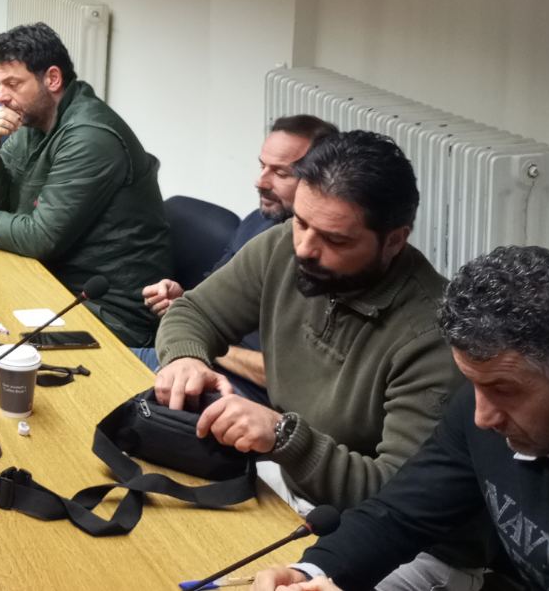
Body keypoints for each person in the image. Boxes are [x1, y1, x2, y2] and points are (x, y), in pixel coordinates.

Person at [154, 132, 475, 591]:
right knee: (164, 534)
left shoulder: (433, 338)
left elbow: (400, 503)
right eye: (301, 222)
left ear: (394, 241)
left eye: (334, 239)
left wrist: (284, 437)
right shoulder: (285, 248)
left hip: (416, 549)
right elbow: (194, 313)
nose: (305, 247)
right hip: (302, 492)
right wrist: (185, 358)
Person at [254, 245, 549, 591]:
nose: (481, 417)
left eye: (503, 389)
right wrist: (311, 572)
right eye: (474, 384)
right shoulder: (485, 411)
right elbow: (401, 514)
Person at [0, 23, 170, 347]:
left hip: (106, 313)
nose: (0, 96)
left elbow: (41, 237)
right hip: (47, 278)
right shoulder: (34, 118)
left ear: (52, 79)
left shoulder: (90, 138)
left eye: (12, 84)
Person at [140, 114, 339, 396]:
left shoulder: (323, 263)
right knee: (95, 365)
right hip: (197, 359)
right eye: (262, 166)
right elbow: (205, 305)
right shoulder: (259, 221)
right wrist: (182, 300)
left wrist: (205, 345)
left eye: (281, 173)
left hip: (242, 391)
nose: (261, 181)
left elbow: (293, 376)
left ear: (321, 180)